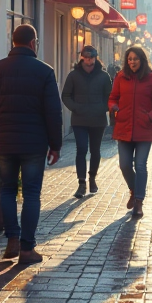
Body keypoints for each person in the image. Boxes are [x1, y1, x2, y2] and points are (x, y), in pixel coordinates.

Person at [0, 24, 62, 265]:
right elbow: (53, 112)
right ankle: (27, 248)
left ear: (12, 42)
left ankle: (12, 239)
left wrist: (1, 123)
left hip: (6, 141)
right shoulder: (45, 71)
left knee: (7, 190)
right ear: (33, 42)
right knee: (31, 193)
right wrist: (55, 145)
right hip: (34, 143)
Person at [109, 46, 152, 218]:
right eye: (129, 59)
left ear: (142, 60)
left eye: (135, 58)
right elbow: (113, 97)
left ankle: (139, 202)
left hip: (143, 130)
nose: (132, 61)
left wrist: (150, 117)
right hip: (124, 127)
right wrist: (114, 108)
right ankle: (134, 190)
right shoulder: (120, 77)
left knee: (141, 165)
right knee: (125, 164)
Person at [61, 45, 112, 199]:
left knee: (95, 151)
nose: (89, 60)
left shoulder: (103, 76)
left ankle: (92, 178)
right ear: (82, 57)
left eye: (91, 57)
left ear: (95, 58)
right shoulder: (74, 75)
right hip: (79, 119)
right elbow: (66, 95)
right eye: (86, 57)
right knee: (81, 149)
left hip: (98, 120)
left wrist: (102, 108)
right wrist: (75, 108)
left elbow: (110, 97)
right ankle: (82, 183)